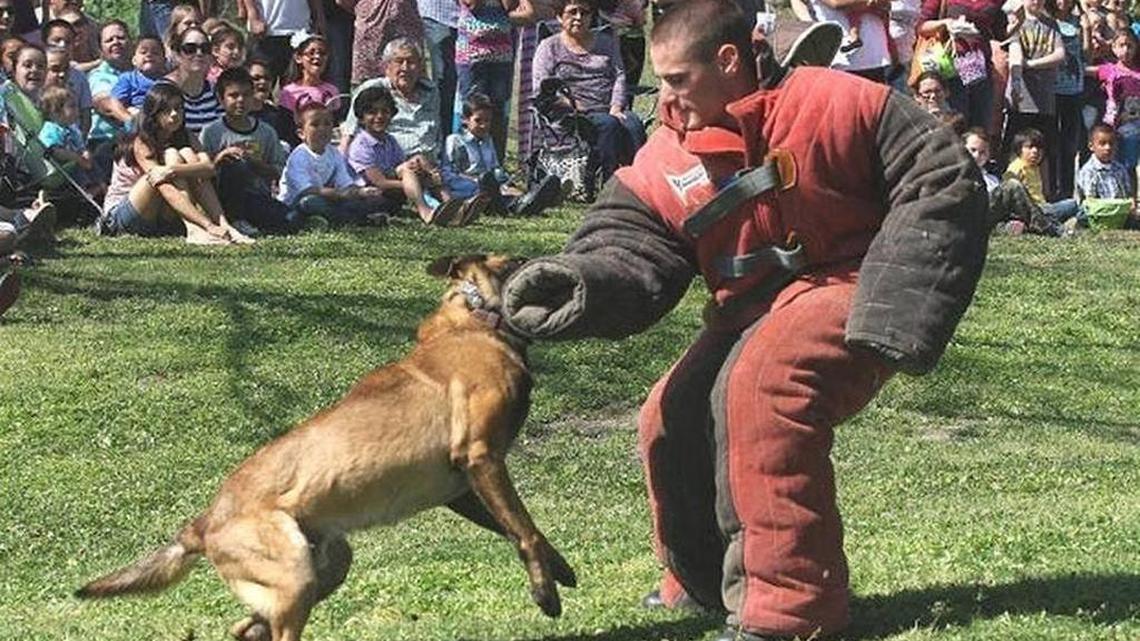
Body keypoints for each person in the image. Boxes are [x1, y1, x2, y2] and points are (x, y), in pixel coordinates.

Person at [497, 1, 988, 639]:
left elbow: (940, 176)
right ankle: (703, 580)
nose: (666, 100)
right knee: (667, 413)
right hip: (755, 305)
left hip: (849, 279)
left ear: (728, 61)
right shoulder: (668, 149)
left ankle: (790, 614)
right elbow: (630, 239)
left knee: (763, 391)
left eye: (677, 80)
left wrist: (896, 305)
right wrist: (578, 282)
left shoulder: (836, 101)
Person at [98, 82, 252, 244]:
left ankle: (225, 225)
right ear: (154, 113)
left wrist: (172, 169)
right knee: (167, 160)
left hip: (162, 216)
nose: (174, 114)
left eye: (178, 108)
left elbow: (209, 168)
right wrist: (207, 225)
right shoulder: (142, 141)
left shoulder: (186, 135)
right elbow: (163, 186)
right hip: (125, 216)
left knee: (185, 153)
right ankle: (194, 229)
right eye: (166, 110)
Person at [532, 0, 647, 186]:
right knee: (609, 125)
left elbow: (619, 76)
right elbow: (542, 89)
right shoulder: (549, 47)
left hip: (608, 110)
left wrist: (616, 107)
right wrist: (573, 105)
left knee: (633, 124)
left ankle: (638, 184)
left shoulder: (607, 43)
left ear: (592, 17)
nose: (578, 17)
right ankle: (608, 183)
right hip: (571, 113)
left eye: (584, 13)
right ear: (560, 17)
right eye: (572, 12)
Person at [347, 84, 483, 224]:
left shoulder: (390, 141)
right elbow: (380, 183)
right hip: (371, 197)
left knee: (419, 159)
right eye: (372, 112)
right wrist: (419, 183)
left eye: (385, 111)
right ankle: (425, 211)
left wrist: (423, 173)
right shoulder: (361, 146)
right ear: (361, 118)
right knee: (408, 172)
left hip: (394, 194)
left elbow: (400, 166)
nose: (379, 116)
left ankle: (452, 206)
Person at [200, 67, 300, 235]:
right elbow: (201, 173)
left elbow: (279, 172)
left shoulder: (266, 132)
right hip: (222, 199)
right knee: (235, 165)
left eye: (246, 95)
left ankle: (250, 220)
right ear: (221, 99)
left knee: (291, 219)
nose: (241, 100)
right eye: (233, 95)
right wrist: (220, 158)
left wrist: (254, 163)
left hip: (256, 197)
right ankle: (235, 220)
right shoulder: (211, 132)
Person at [344, 39, 447, 197]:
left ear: (420, 66)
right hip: (395, 169)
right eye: (399, 61)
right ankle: (442, 204)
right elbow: (349, 133)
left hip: (430, 165)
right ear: (387, 66)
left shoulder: (431, 91)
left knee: (468, 187)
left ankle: (455, 202)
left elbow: (438, 131)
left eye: (411, 62)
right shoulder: (372, 90)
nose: (405, 68)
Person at [442, 92, 563, 216]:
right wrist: (477, 182)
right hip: (470, 190)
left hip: (495, 189)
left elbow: (495, 170)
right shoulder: (456, 140)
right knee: (487, 181)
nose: (484, 125)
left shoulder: (488, 141)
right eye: (478, 121)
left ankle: (527, 202)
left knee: (502, 188)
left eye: (487, 120)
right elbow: (449, 173)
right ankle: (517, 204)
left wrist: (506, 183)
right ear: (465, 119)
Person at [277, 100, 391, 227]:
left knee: (372, 200)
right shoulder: (299, 156)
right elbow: (307, 190)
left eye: (327, 124)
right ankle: (360, 220)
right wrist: (340, 194)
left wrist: (362, 192)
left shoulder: (334, 153)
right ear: (301, 133)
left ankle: (325, 219)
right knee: (309, 202)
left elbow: (345, 183)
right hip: (295, 203)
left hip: (328, 197)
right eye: (315, 125)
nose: (322, 129)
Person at [917, 0, 1006, 130]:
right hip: (950, 67)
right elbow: (922, 27)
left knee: (981, 124)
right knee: (954, 122)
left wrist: (1018, 21)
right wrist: (946, 23)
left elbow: (1000, 33)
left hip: (978, 66)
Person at [1004, 0, 1064, 182]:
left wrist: (1031, 64)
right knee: (1015, 147)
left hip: (1045, 97)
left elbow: (1060, 54)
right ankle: (1011, 187)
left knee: (1043, 148)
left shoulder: (1051, 23)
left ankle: (1045, 191)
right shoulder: (1016, 22)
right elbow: (1015, 54)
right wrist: (1015, 82)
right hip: (1022, 97)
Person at [1000, 127, 1081, 234]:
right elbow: (1009, 192)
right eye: (1029, 147)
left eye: (1039, 148)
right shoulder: (1016, 167)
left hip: (1043, 208)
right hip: (1029, 210)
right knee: (1070, 205)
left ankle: (1032, 226)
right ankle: (1055, 227)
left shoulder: (1036, 168)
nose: (1035, 151)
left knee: (1072, 205)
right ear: (1019, 149)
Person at [87, 20, 134, 175]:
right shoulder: (98, 76)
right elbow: (105, 104)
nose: (116, 42)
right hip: (107, 143)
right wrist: (134, 122)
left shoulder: (142, 73)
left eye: (120, 37)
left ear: (131, 41)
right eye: (109, 40)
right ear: (101, 49)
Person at [241, 0, 326, 82]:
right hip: (266, 32)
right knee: (258, 85)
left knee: (296, 87)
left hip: (299, 32)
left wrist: (319, 18)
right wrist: (253, 16)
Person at [164, 26, 223, 136]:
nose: (199, 53)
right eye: (190, 49)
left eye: (205, 48)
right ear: (177, 55)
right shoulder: (164, 90)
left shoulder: (215, 91)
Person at [347, 0, 423, 85]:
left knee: (407, 69)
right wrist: (364, 9)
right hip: (372, 22)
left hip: (405, 19)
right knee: (368, 85)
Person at [277, 31, 340, 119]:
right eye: (311, 53)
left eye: (322, 53)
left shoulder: (332, 91)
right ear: (298, 58)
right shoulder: (289, 92)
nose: (317, 57)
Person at [247, 56, 297, 147]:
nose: (263, 82)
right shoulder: (235, 116)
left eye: (267, 78)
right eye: (256, 78)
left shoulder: (283, 117)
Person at [1076, 122, 1133, 199]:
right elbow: (1091, 201)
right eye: (1102, 144)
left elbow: (1127, 194)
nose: (1108, 148)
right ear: (1091, 146)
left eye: (1111, 143)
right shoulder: (1088, 172)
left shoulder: (1120, 169)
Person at [44, 45, 91, 134]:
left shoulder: (74, 90)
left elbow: (86, 115)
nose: (62, 74)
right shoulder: (37, 95)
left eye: (66, 69)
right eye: (55, 69)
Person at [111, 36, 168, 111]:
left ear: (164, 60)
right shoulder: (128, 79)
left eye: (155, 53)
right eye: (143, 52)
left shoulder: (169, 79)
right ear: (134, 60)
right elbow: (116, 102)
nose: (149, 55)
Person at [963, 127, 1000, 193]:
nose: (976, 155)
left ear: (988, 155)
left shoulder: (993, 184)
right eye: (973, 150)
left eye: (982, 152)